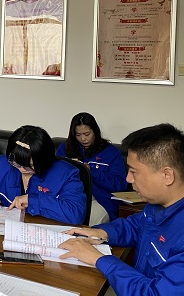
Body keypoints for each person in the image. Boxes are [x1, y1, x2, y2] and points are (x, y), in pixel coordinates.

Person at [59, 123, 184, 296]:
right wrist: (102, 233)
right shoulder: (158, 204)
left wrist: (99, 259)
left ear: (167, 175)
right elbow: (137, 226)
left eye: (133, 171)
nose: (128, 179)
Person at [0, 125, 86, 225]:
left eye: (29, 166)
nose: (22, 170)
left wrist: (32, 200)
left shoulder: (66, 174)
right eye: (16, 164)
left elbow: (75, 214)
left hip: (42, 234)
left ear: (45, 160)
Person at [56, 112, 127, 222]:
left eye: (87, 134)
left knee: (87, 222)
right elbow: (55, 175)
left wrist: (90, 171)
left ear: (95, 131)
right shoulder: (65, 148)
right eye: (78, 135)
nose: (83, 139)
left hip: (100, 199)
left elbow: (120, 185)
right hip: (70, 196)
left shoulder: (111, 152)